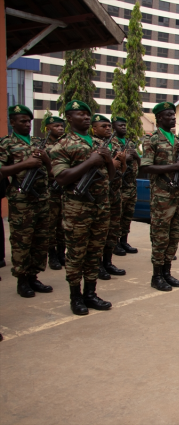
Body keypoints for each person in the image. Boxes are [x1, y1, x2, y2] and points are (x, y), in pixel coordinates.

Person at [50, 100, 116, 315]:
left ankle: (90, 293)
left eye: (88, 114)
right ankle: (75, 297)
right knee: (76, 254)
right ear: (69, 118)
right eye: (80, 114)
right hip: (77, 210)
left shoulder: (99, 143)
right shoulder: (62, 145)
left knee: (94, 252)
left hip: (100, 207)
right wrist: (91, 161)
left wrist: (107, 161)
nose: (86, 118)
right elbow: (61, 178)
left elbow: (112, 177)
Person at [0, 105, 53, 298]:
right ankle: (22, 280)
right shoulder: (6, 144)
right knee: (22, 241)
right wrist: (25, 164)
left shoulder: (38, 142)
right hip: (21, 201)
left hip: (41, 199)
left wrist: (46, 160)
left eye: (29, 121)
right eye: (22, 121)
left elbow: (54, 172)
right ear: (12, 122)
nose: (27, 124)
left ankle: (34, 276)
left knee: (40, 240)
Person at [140, 102, 179, 291]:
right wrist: (174, 167)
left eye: (174, 115)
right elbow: (145, 167)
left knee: (174, 236)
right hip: (162, 197)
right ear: (159, 118)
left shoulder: (176, 139)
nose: (173, 118)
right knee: (160, 236)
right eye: (168, 115)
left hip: (178, 194)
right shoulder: (152, 139)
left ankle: (167, 273)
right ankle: (156, 276)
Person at [91, 114, 127, 280]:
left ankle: (107, 262)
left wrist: (123, 162)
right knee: (99, 233)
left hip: (114, 193)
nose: (107, 129)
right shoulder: (91, 144)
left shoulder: (114, 144)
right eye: (103, 126)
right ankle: (96, 266)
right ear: (94, 128)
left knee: (112, 230)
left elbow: (122, 171)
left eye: (108, 126)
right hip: (98, 195)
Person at [112, 116, 140, 254]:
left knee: (127, 216)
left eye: (124, 125)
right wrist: (125, 158)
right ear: (113, 127)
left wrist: (136, 156)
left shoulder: (130, 143)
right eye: (120, 125)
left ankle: (124, 241)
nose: (123, 127)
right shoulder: (111, 142)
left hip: (131, 185)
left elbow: (140, 164)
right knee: (118, 216)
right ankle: (115, 243)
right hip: (119, 186)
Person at [43, 115, 67, 270]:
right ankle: (51, 255)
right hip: (50, 190)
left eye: (61, 126)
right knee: (51, 224)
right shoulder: (42, 146)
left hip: (64, 190)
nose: (59, 129)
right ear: (48, 128)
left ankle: (61, 253)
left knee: (63, 225)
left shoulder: (65, 144)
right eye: (56, 126)